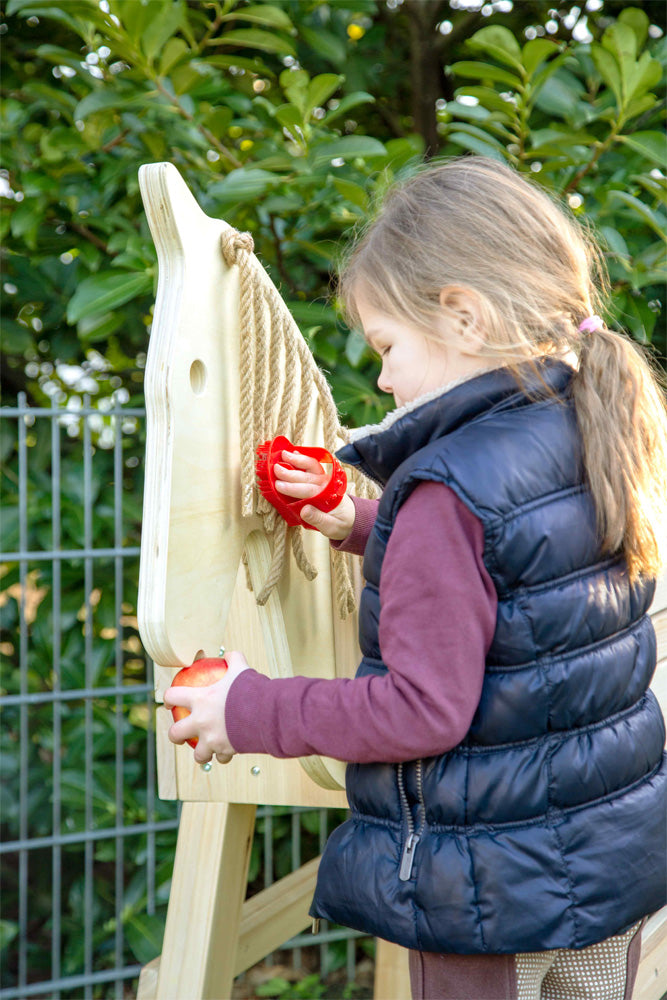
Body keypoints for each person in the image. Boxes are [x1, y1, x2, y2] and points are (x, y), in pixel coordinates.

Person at [163, 156, 667, 1000]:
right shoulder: (582, 419)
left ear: (462, 317)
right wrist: (358, 522)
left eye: (387, 347)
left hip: (487, 898)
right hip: (610, 864)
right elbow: (517, 574)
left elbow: (419, 709)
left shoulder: (445, 486)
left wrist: (244, 706)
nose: (383, 379)